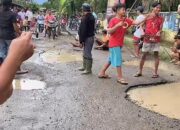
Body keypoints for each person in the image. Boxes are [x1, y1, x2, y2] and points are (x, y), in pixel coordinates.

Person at [98, 3, 146, 85]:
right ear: (117, 11)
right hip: (114, 43)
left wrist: (147, 17)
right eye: (123, 10)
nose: (124, 11)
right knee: (118, 60)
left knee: (110, 59)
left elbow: (136, 22)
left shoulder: (126, 20)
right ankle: (120, 78)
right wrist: (117, 25)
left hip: (119, 44)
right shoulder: (113, 20)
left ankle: (102, 72)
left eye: (125, 9)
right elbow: (109, 31)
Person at [0, 32, 35, 105]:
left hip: (3, 36)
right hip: (9, 36)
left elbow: (6, 93)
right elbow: (3, 93)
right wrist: (15, 55)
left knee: (3, 51)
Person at [134, 2, 164, 78]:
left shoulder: (161, 18)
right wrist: (143, 33)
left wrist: (159, 32)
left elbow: (161, 29)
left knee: (156, 55)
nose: (158, 9)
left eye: (159, 8)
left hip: (156, 39)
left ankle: (155, 73)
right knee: (144, 55)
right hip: (147, 39)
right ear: (152, 8)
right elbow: (140, 25)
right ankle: (139, 71)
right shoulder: (147, 16)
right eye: (157, 7)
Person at [0, 0, 21, 65]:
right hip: (9, 36)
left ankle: (1, 64)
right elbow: (15, 27)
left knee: (2, 50)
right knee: (11, 52)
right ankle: (9, 67)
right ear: (10, 5)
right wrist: (19, 32)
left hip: (0, 35)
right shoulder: (12, 14)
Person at [78, 3, 95, 74]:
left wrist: (81, 41)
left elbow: (83, 30)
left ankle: (88, 69)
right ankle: (84, 67)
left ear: (84, 9)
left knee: (87, 53)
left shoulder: (86, 18)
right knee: (85, 52)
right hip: (89, 37)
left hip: (88, 37)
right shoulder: (90, 16)